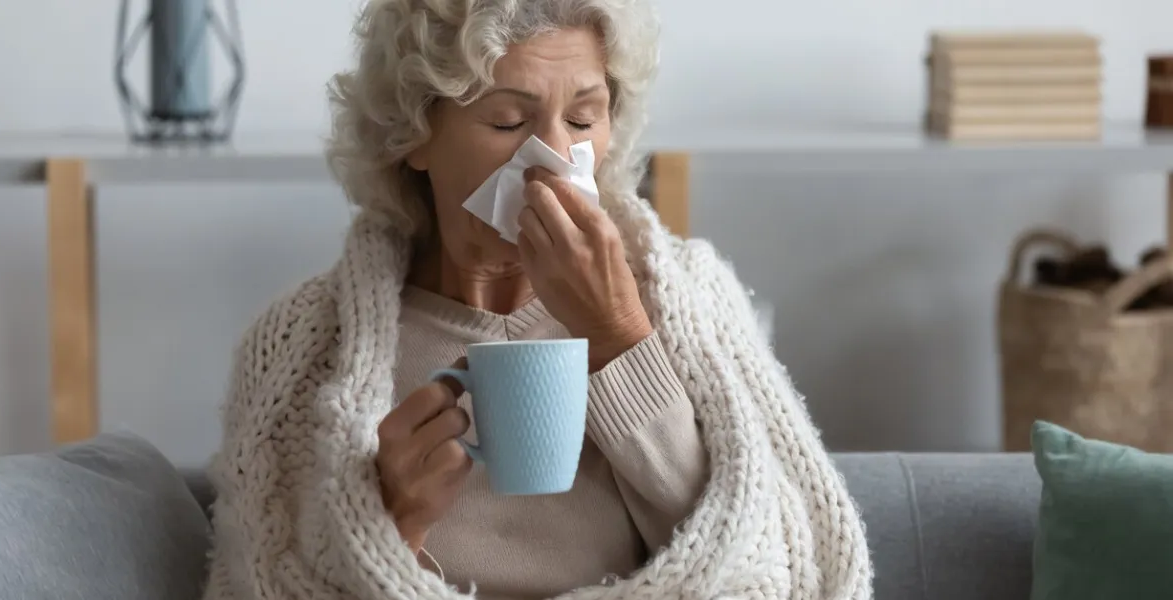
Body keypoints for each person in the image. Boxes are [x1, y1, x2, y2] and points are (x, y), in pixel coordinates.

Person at [202, 0, 872, 599]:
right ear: (414, 136)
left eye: (583, 117)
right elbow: (260, 580)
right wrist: (385, 527)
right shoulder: (303, 345)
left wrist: (618, 332)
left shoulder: (688, 300)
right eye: (508, 121)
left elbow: (781, 569)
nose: (555, 158)